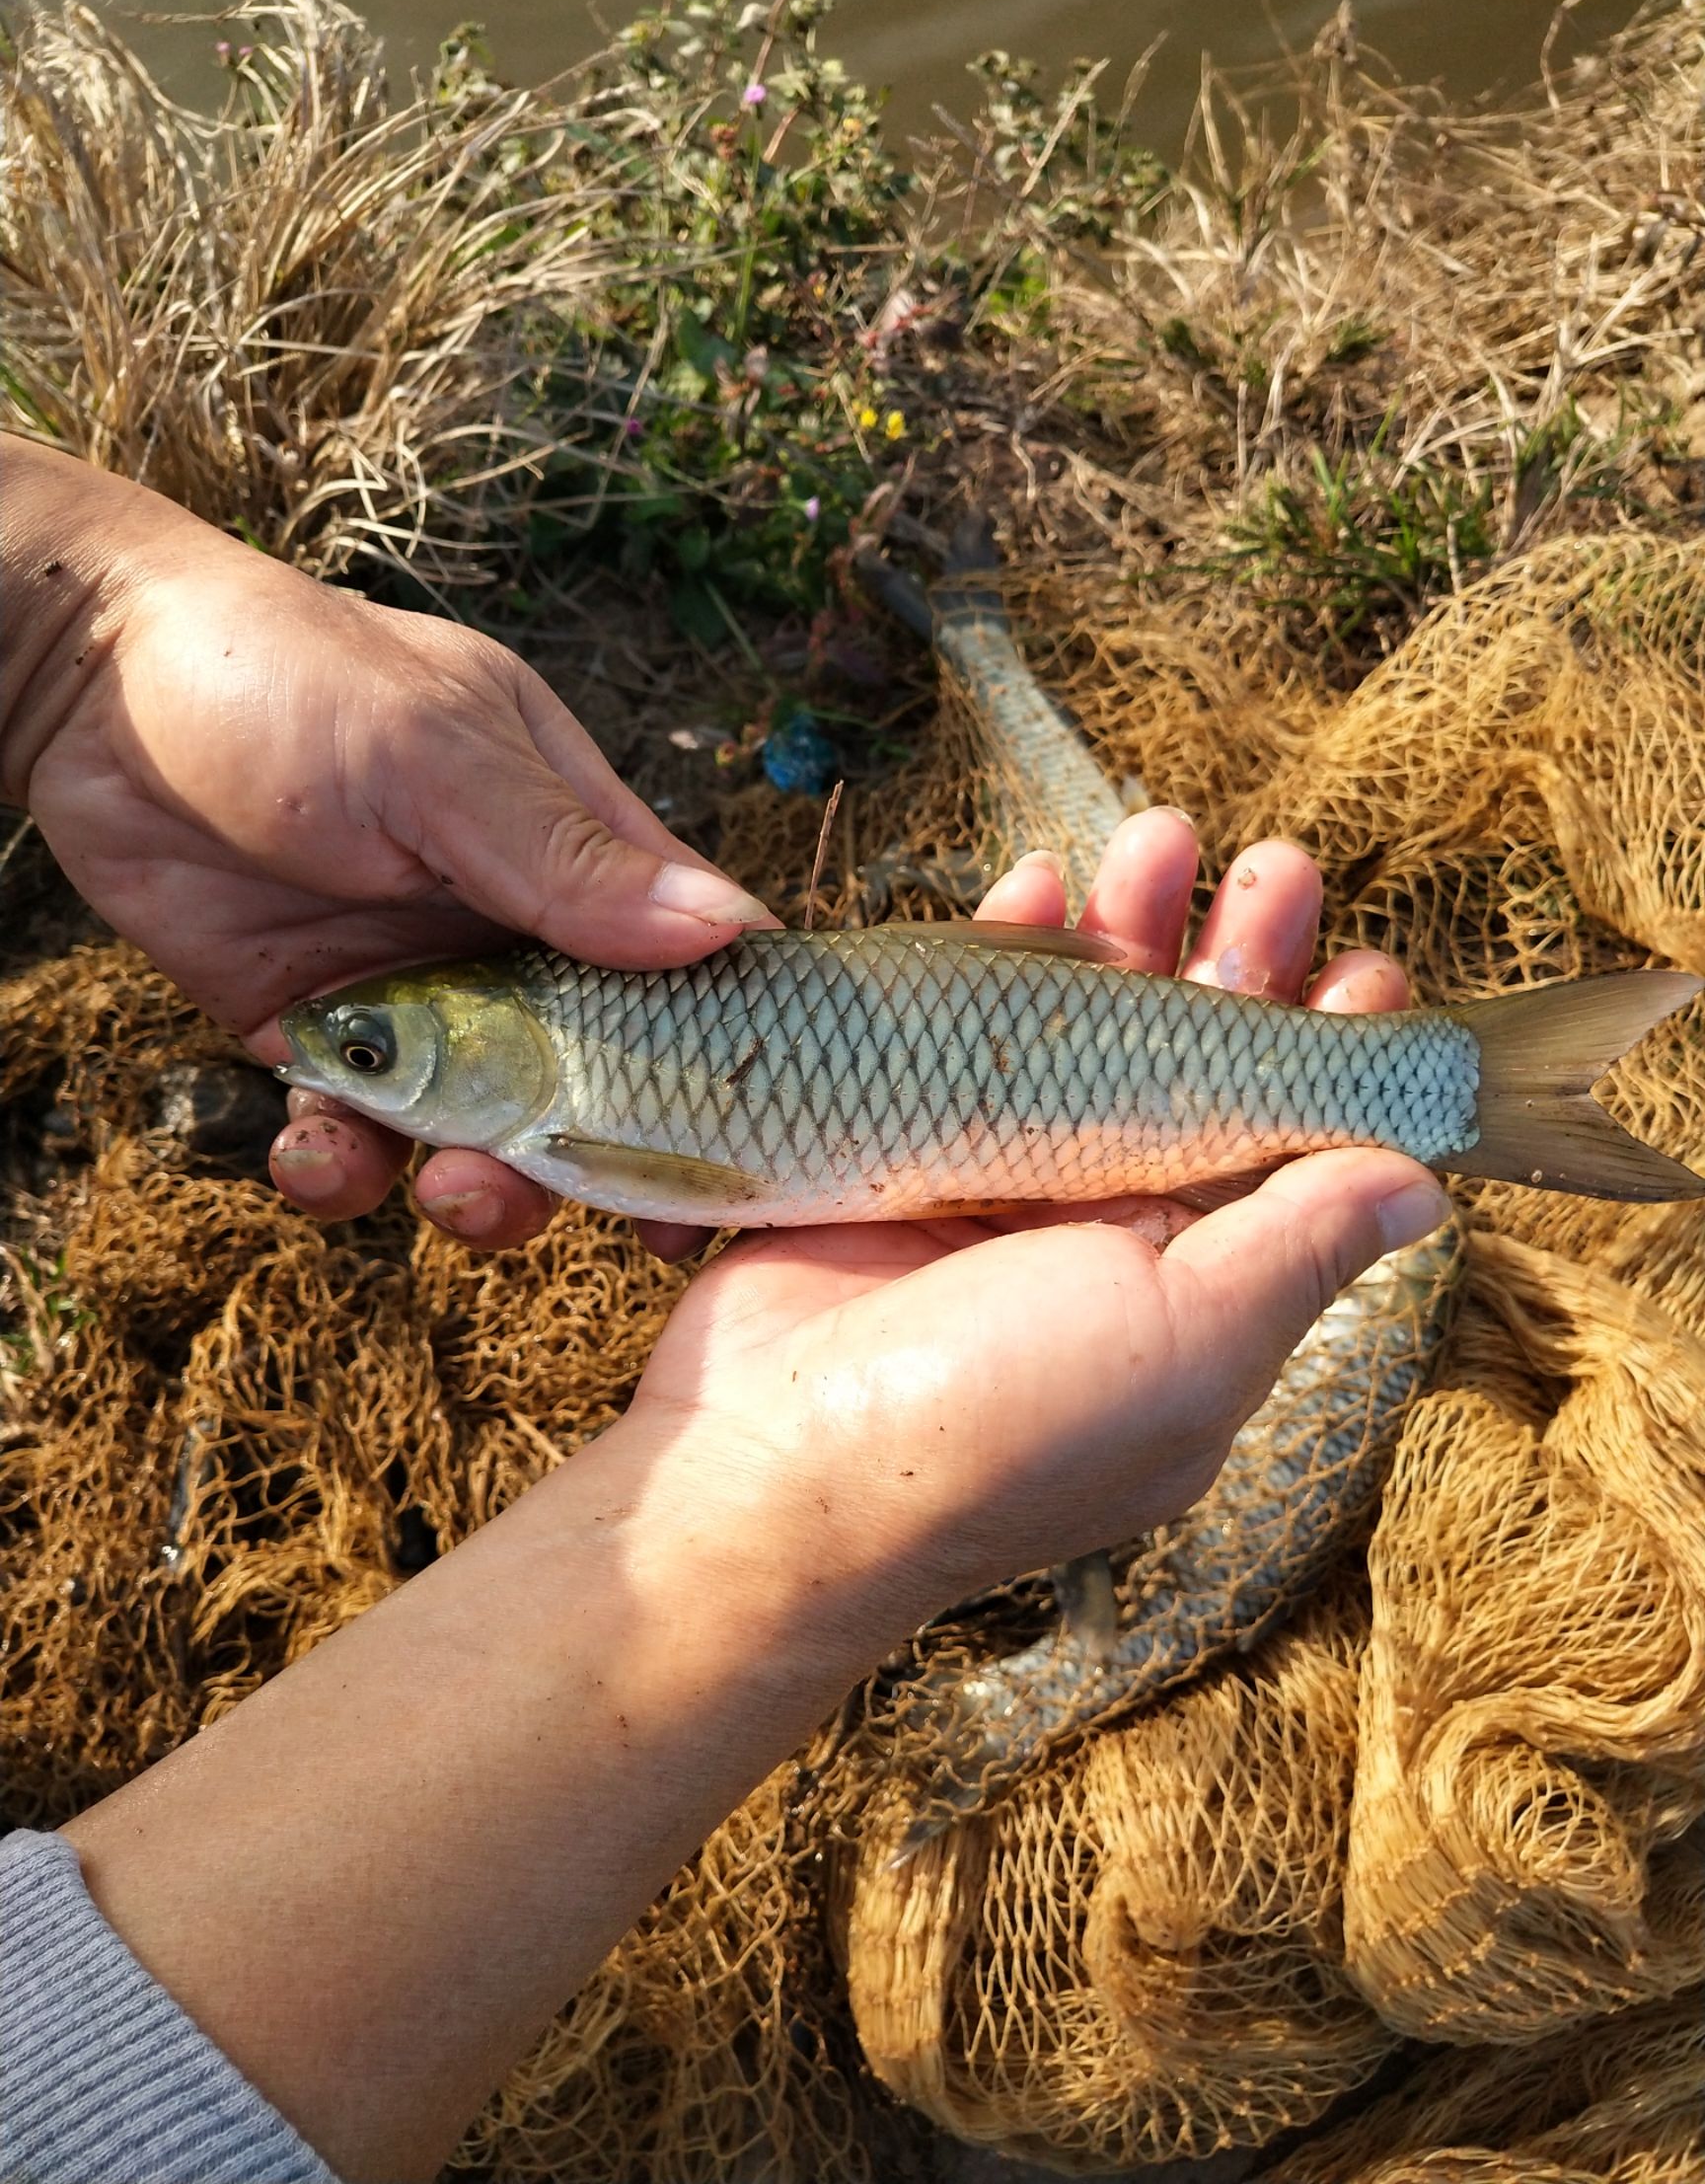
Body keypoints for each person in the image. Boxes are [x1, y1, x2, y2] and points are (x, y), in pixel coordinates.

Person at [0, 434, 1445, 2184]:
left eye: (373, 1054)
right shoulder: (548, 1098)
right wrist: (85, 613)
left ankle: (1446, 1087)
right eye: (363, 1057)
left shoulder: (580, 1122)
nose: (330, 1068)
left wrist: (91, 625)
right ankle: (1429, 1087)